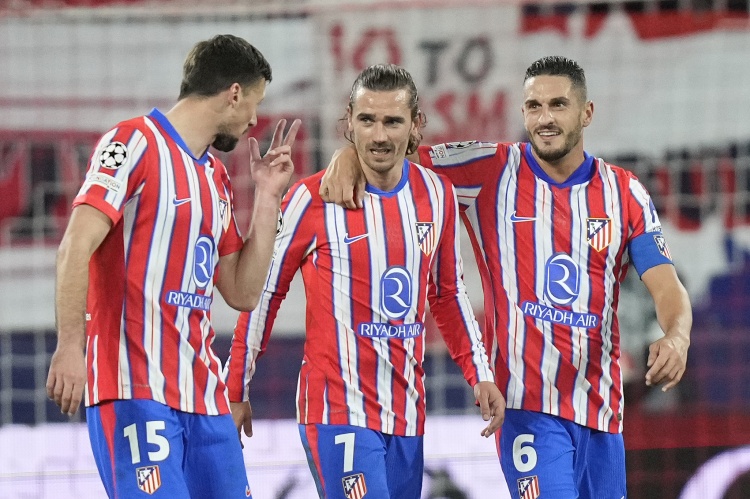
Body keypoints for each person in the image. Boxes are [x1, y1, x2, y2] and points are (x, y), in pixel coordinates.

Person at [320, 56, 692, 498]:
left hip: (601, 411)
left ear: (586, 113)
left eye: (558, 105)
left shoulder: (624, 193)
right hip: (525, 407)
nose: (545, 118)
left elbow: (666, 284)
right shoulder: (489, 168)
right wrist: (348, 154)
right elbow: (392, 151)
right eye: (534, 106)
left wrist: (677, 336)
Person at [224, 64, 505, 499]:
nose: (378, 135)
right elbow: (263, 293)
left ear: (415, 125)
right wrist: (236, 386)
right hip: (336, 409)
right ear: (349, 122)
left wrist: (480, 373)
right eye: (367, 120)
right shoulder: (311, 199)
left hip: (407, 414)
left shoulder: (437, 194)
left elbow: (448, 293)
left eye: (392, 121)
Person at [45, 34, 301, 498]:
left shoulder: (215, 176)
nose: (254, 120)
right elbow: (75, 246)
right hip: (133, 388)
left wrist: (268, 199)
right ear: (234, 93)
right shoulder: (133, 142)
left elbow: (242, 291)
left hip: (205, 396)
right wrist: (69, 346)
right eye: (255, 103)